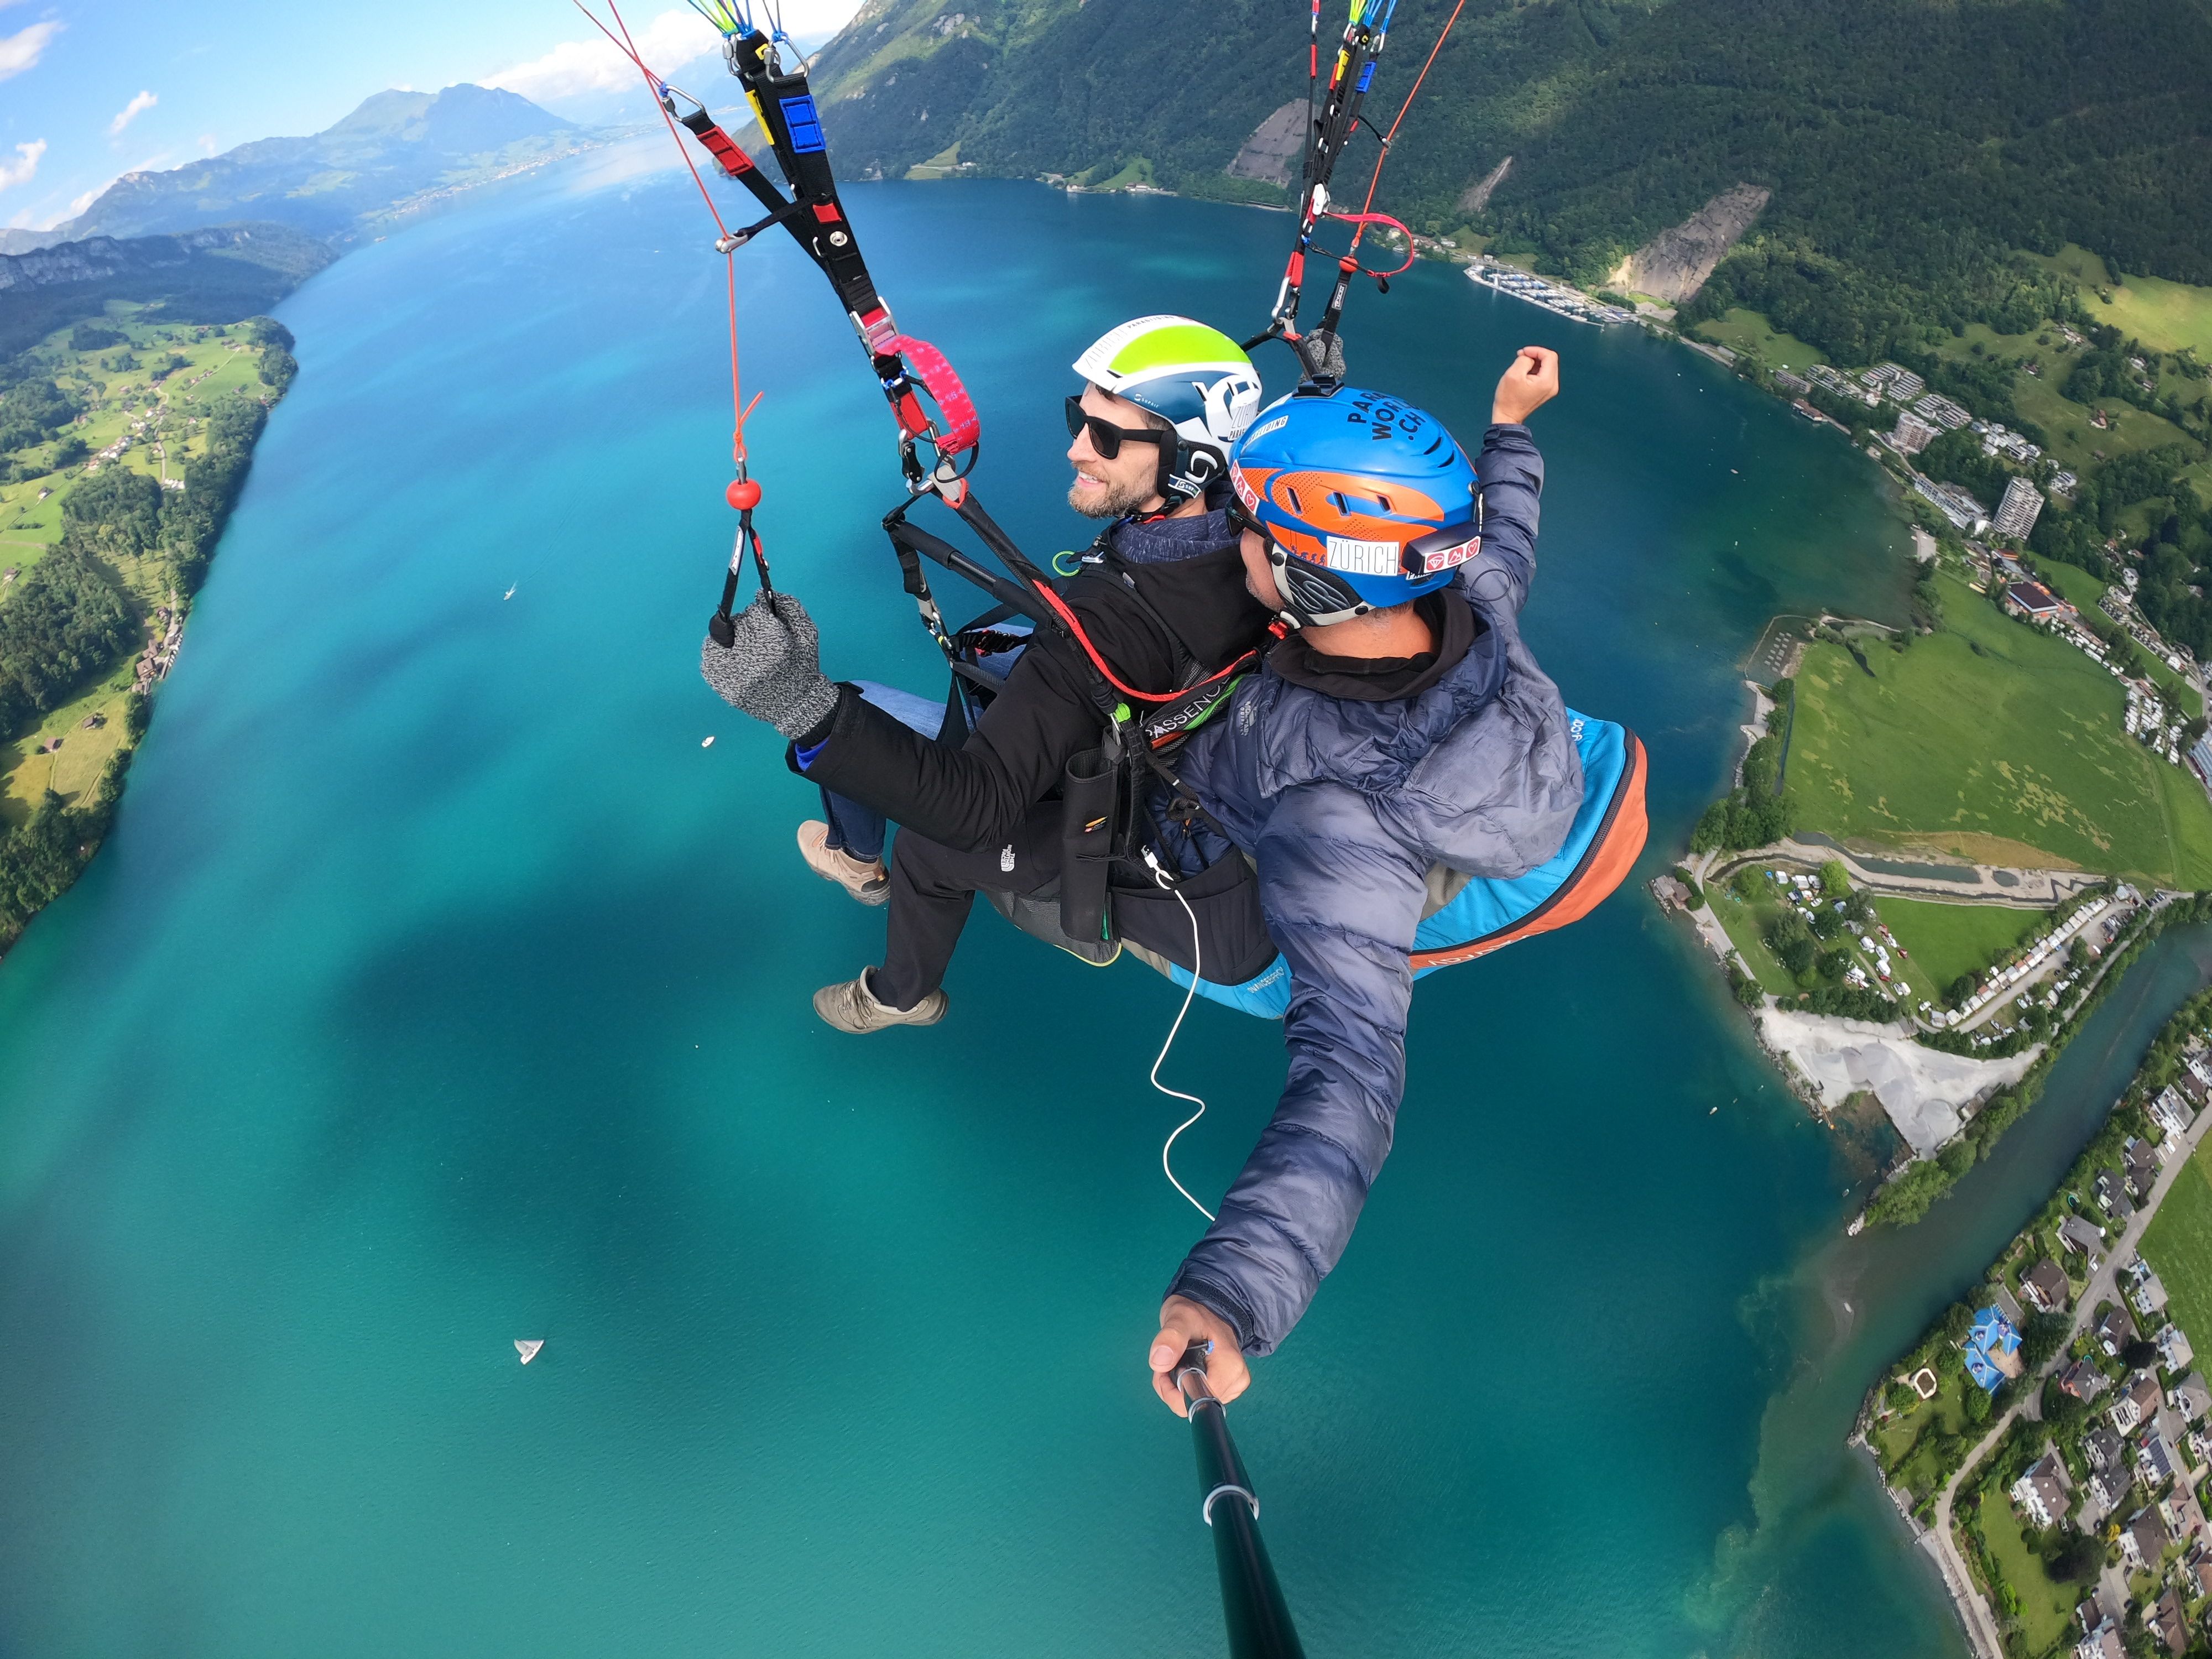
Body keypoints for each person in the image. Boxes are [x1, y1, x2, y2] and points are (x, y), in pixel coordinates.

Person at [1138, 347, 1584, 1415]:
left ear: (1316, 582)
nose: (1235, 537)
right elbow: (1504, 543)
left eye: (1254, 531)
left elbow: (1351, 1076)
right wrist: (1511, 424)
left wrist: (1231, 1296)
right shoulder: (1471, 611)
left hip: (1221, 863)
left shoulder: (1337, 813)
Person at [698, 316, 1275, 1026]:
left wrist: (798, 706)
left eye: (1104, 435)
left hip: (1166, 870)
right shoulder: (1266, 537)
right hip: (1155, 748)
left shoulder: (1104, 630)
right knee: (861, 705)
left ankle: (899, 996)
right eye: (1079, 418)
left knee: (924, 845)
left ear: (1191, 461)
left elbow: (978, 811)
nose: (1075, 447)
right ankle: (854, 856)